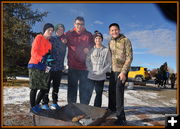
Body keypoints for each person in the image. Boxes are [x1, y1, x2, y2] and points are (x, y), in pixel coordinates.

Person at [108, 23, 133, 125]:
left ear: (119, 30)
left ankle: (121, 118)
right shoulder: (110, 42)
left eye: (116, 30)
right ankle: (111, 112)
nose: (114, 32)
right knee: (111, 92)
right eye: (112, 30)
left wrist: (123, 72)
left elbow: (129, 57)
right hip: (112, 71)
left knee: (118, 93)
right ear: (110, 32)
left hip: (122, 71)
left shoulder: (125, 40)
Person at [66, 16, 94, 104]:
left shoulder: (88, 34)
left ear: (84, 25)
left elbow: (94, 46)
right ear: (74, 24)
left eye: (81, 24)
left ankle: (83, 108)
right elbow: (61, 39)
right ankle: (71, 107)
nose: (79, 26)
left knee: (84, 89)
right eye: (78, 24)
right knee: (72, 89)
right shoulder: (69, 34)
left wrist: (89, 49)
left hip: (84, 67)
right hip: (72, 66)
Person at [28, 23, 54, 114]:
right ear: (44, 31)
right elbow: (33, 52)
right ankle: (32, 108)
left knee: (44, 87)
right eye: (49, 30)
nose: (50, 32)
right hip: (34, 65)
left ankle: (36, 105)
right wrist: (42, 59)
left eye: (52, 31)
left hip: (44, 68)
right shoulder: (39, 37)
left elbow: (49, 57)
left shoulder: (50, 43)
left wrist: (49, 65)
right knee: (34, 87)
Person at [41, 24, 67, 110]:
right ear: (56, 30)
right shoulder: (51, 39)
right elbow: (44, 50)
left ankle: (55, 103)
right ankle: (45, 103)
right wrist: (47, 60)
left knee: (56, 86)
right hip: (49, 67)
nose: (60, 31)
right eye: (58, 29)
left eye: (62, 30)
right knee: (46, 85)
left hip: (59, 67)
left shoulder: (64, 41)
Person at [86, 31, 111, 107]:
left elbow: (109, 62)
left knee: (99, 93)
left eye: (99, 38)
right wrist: (90, 70)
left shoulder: (106, 50)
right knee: (88, 92)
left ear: (102, 39)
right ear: (94, 40)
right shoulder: (91, 50)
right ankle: (85, 108)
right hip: (91, 75)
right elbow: (87, 61)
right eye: (96, 38)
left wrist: (102, 71)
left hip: (101, 76)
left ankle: (96, 109)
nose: (98, 40)